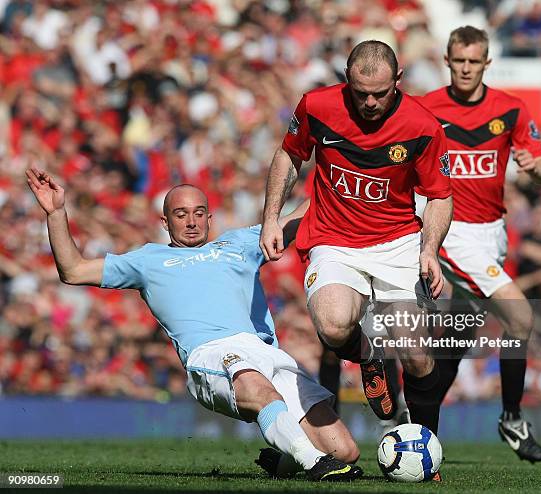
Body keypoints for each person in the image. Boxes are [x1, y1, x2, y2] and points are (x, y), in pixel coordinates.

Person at [25, 167, 362, 482]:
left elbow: (299, 217)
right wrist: (56, 214)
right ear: (164, 221)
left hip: (264, 351)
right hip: (211, 354)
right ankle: (313, 462)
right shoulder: (147, 260)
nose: (191, 222)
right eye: (181, 214)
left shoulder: (241, 243)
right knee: (255, 387)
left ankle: (285, 460)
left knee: (344, 449)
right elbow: (73, 270)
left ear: (209, 217)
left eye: (199, 213)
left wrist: (343, 171)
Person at [259, 40, 453, 435]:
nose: (369, 102)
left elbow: (440, 195)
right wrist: (271, 218)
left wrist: (429, 251)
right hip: (333, 239)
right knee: (332, 327)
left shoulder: (422, 126)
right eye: (360, 93)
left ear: (398, 81)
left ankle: (426, 445)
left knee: (416, 355)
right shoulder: (316, 106)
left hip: (397, 243)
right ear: (347, 80)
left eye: (379, 94)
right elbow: (289, 155)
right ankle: (369, 355)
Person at [414, 26, 541, 463]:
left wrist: (534, 168)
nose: (467, 68)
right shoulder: (424, 108)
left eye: (475, 61)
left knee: (455, 341)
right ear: (448, 61)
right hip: (451, 230)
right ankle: (511, 419)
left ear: (487, 63)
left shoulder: (509, 110)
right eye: (460, 61)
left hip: (493, 233)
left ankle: (416, 428)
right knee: (520, 318)